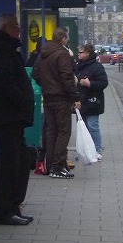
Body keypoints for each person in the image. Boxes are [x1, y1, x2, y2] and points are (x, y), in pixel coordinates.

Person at [0, 13, 35, 226]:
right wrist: (23, 101)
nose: (19, 31)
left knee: (17, 160)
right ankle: (4, 210)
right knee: (10, 163)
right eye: (15, 26)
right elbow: (5, 83)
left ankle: (12, 207)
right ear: (5, 28)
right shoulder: (1, 50)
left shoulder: (3, 48)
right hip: (8, 115)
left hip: (10, 116)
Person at [32, 27, 80, 179]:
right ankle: (58, 166)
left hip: (48, 97)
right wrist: (74, 96)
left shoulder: (43, 54)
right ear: (63, 38)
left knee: (51, 131)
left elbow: (35, 74)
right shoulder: (62, 54)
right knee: (64, 131)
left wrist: (46, 85)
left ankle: (50, 164)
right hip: (61, 98)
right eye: (67, 38)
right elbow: (67, 76)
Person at [76, 43, 109, 160]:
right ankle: (85, 150)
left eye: (81, 52)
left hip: (93, 101)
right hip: (81, 101)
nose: (78, 54)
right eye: (78, 52)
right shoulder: (78, 66)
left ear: (88, 54)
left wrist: (89, 84)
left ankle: (97, 149)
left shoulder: (97, 67)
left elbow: (104, 83)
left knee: (92, 125)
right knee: (82, 127)